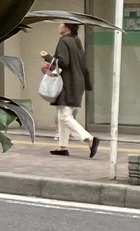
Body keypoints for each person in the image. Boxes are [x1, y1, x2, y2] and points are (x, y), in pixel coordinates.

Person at [41, 23, 99, 157]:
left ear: (66, 27)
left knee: (64, 116)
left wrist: (48, 57)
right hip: (77, 82)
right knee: (64, 113)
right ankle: (62, 146)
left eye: (61, 24)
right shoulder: (76, 41)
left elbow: (63, 62)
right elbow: (84, 65)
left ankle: (89, 139)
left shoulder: (64, 41)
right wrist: (87, 83)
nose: (59, 25)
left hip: (68, 82)